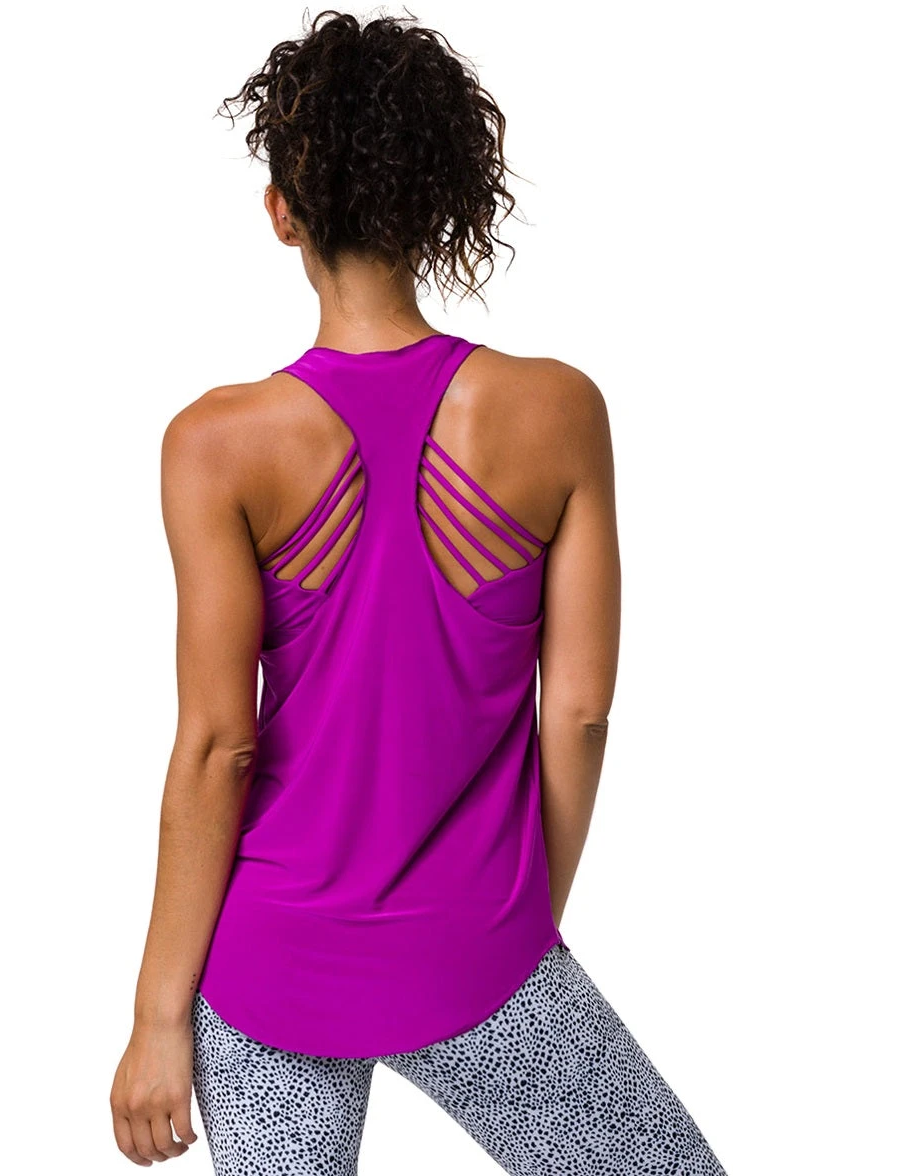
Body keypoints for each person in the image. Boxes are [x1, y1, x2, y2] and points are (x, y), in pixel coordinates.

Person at [110, 10, 728, 1174]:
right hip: (476, 944)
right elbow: (580, 712)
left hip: (270, 964)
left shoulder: (214, 444)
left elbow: (216, 745)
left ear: (283, 211)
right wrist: (517, 925)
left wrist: (155, 1018)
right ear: (440, 197)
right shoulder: (558, 411)